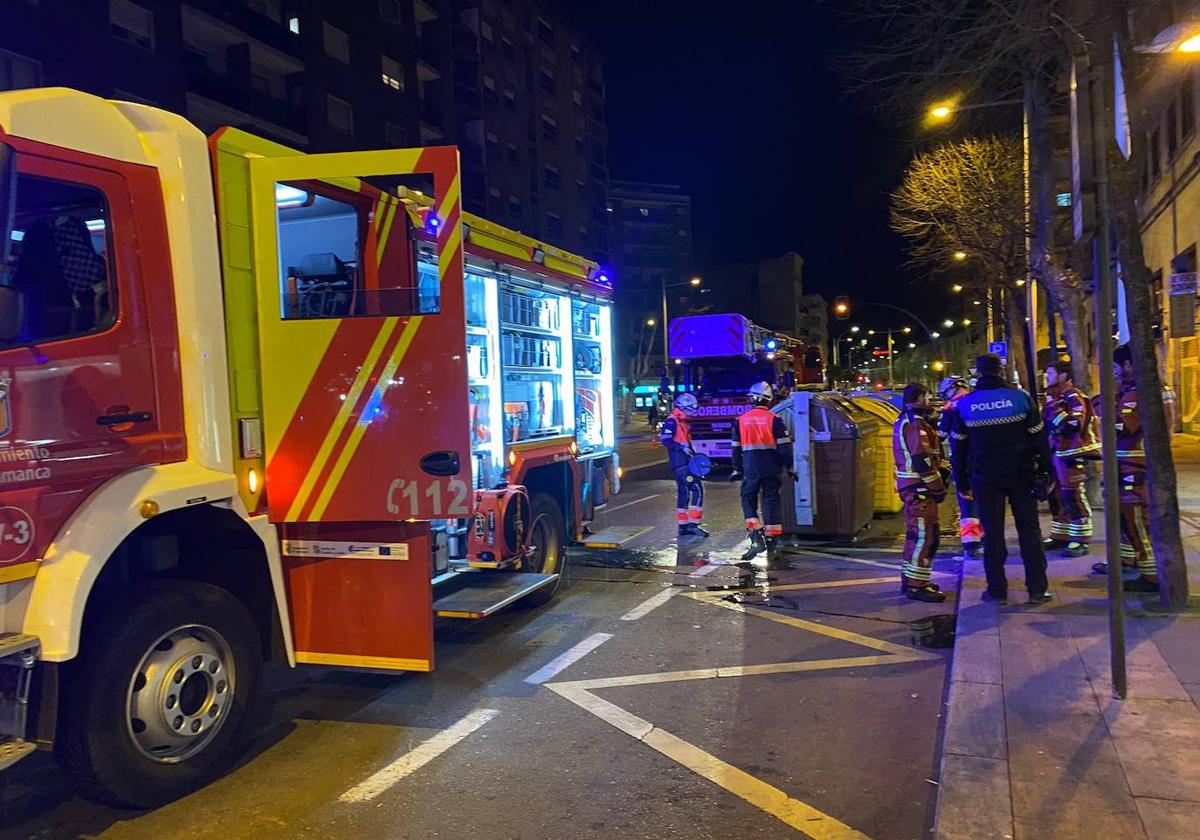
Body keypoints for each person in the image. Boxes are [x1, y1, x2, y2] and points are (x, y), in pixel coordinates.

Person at [949, 353, 1053, 604]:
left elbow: (958, 450)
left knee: (992, 534)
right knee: (1030, 531)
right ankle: (1037, 589)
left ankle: (997, 590)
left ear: (978, 373)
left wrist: (962, 483)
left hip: (985, 478)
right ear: (1001, 371)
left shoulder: (964, 405)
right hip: (1022, 473)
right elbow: (1039, 440)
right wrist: (1047, 473)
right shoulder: (1020, 398)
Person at [1093, 345, 1158, 592]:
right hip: (1126, 465)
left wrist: (1103, 405)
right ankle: (1127, 560)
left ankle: (1151, 577)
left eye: (1117, 367)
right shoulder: (1131, 392)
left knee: (1136, 522)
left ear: (1129, 365)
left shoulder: (1136, 394)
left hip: (1134, 466)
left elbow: (1122, 427)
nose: (1115, 372)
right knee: (1125, 520)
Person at [894, 383, 949, 602]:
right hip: (920, 488)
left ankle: (913, 579)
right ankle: (917, 586)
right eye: (926, 396)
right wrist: (938, 487)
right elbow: (922, 460)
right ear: (919, 399)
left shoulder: (908, 420)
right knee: (925, 537)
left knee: (916, 535)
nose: (929, 400)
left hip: (913, 487)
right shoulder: (915, 424)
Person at [1042, 360, 1099, 557]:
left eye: (1050, 373)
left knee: (1072, 494)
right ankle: (1061, 535)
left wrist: (1054, 411)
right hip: (1057, 452)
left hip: (1071, 453)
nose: (1046, 378)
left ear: (1063, 376)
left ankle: (1080, 540)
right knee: (1056, 495)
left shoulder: (1073, 396)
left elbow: (1074, 423)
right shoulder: (1054, 397)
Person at [731, 381, 792, 563]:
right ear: (768, 400)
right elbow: (784, 449)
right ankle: (772, 544)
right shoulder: (775, 420)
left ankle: (756, 536)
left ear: (752, 399)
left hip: (751, 469)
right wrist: (789, 467)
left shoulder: (740, 421)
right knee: (771, 501)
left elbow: (735, 450)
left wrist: (737, 469)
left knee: (748, 500)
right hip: (771, 468)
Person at [937, 377, 983, 560]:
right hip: (983, 460)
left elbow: (940, 436)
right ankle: (988, 540)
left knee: (968, 504)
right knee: (985, 503)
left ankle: (972, 546)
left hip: (963, 462)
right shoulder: (976, 403)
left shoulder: (951, 408)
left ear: (950, 390)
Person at [660, 392, 708, 538]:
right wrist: (682, 448)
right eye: (690, 410)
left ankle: (683, 526)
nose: (691, 413)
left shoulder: (682, 421)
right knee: (697, 490)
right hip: (681, 464)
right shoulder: (672, 421)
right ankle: (694, 525)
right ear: (682, 407)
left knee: (684, 493)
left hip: (684, 462)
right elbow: (666, 440)